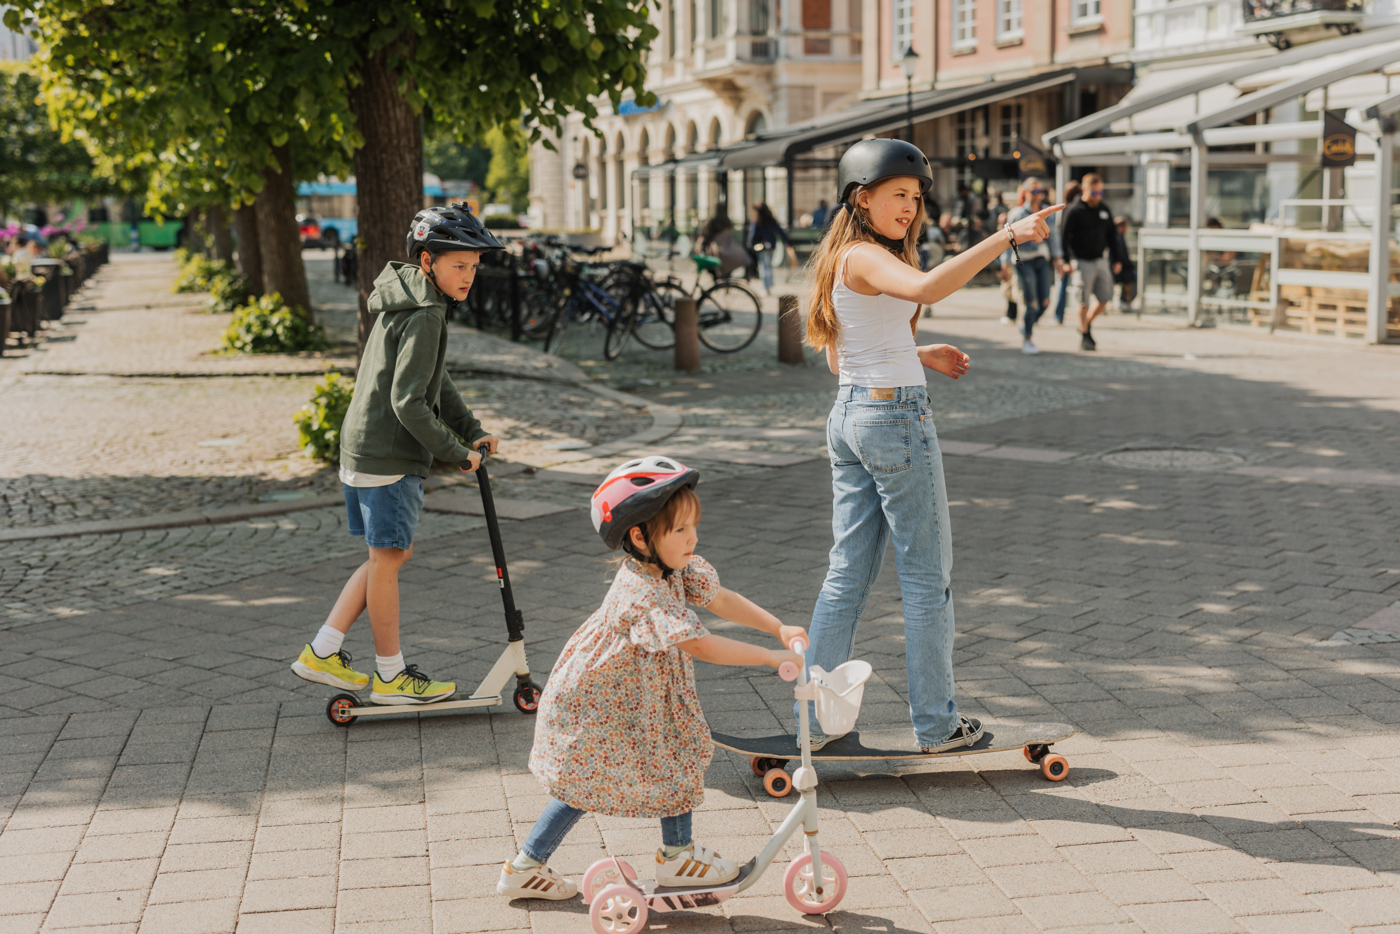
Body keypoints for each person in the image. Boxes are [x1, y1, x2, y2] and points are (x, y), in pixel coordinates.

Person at [801, 139, 1060, 753]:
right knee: (925, 579)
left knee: (847, 574)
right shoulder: (864, 255)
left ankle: (814, 723)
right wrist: (1008, 236)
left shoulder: (846, 259)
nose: (910, 208)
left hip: (853, 417)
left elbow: (844, 355)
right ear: (861, 198)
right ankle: (938, 725)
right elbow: (927, 290)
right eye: (897, 195)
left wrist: (919, 354)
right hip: (893, 422)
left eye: (916, 198)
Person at [497, 457, 804, 900]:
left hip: (634, 693)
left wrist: (778, 627)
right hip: (599, 698)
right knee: (586, 780)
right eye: (680, 530)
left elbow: (720, 599)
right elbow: (701, 644)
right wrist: (769, 657)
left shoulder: (672, 568)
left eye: (693, 526)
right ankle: (667, 859)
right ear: (640, 536)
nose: (692, 537)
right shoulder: (641, 592)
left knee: (666, 759)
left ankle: (664, 856)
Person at [289, 203, 502, 705]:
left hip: (363, 446)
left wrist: (470, 428)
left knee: (387, 555)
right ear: (427, 261)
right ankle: (390, 675)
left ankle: (324, 648)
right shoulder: (426, 313)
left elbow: (435, 379)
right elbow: (408, 402)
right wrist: (456, 453)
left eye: (473, 267)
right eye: (458, 266)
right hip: (386, 453)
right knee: (387, 561)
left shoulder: (408, 297)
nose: (468, 276)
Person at [1060, 173, 1129, 351]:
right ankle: (1085, 335)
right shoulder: (1075, 210)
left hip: (1101, 260)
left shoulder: (1104, 209)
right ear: (1084, 190)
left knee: (1105, 297)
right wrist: (1066, 260)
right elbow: (1064, 236)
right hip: (1082, 261)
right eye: (1094, 193)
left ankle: (1085, 324)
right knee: (1083, 301)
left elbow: (1112, 236)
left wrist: (1117, 259)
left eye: (1100, 193)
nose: (1097, 197)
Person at [1000, 177, 1061, 354]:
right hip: (1022, 260)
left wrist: (1058, 259)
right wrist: (1005, 264)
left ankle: (1027, 326)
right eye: (1034, 191)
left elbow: (1054, 237)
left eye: (1040, 191)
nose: (1038, 195)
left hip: (1041, 259)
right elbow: (1006, 239)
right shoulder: (1017, 213)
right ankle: (1027, 338)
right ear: (1025, 193)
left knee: (1045, 302)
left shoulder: (1046, 213)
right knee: (1031, 301)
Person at [745, 202, 796, 295]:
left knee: (763, 266)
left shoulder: (757, 221)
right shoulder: (770, 220)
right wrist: (787, 241)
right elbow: (780, 231)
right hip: (770, 246)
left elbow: (752, 235)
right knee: (767, 266)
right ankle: (769, 286)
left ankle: (766, 287)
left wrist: (750, 246)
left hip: (760, 247)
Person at [1050, 181, 1081, 325]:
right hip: (1069, 255)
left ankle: (1059, 315)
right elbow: (1064, 236)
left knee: (1063, 285)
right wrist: (1065, 259)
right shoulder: (1070, 210)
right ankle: (1058, 315)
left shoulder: (1066, 209)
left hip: (1067, 254)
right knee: (1063, 284)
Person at [697, 211, 748, 279]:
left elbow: (704, 235)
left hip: (714, 254)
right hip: (720, 255)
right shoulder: (724, 231)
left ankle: (719, 280)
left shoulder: (714, 227)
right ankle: (720, 279)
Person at [1113, 216, 1137, 313]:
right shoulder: (1118, 238)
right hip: (1119, 270)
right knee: (1134, 276)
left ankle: (1124, 302)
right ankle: (1124, 302)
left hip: (1120, 268)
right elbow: (1122, 257)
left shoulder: (1117, 237)